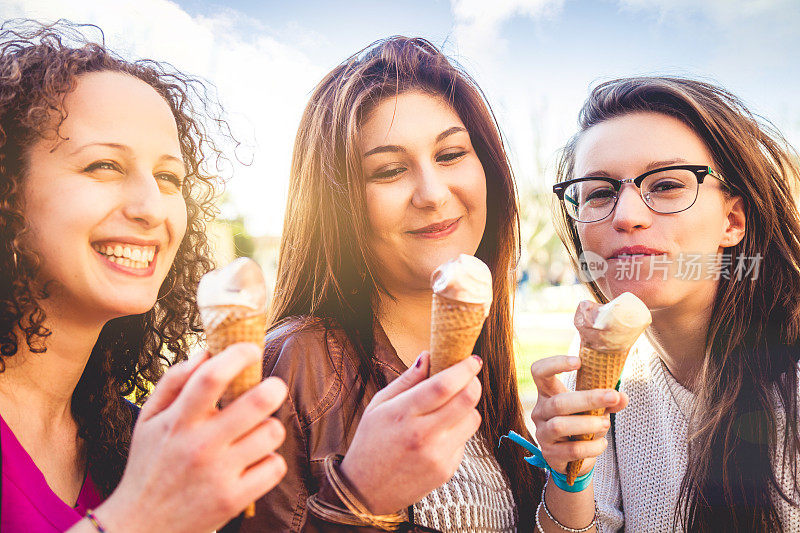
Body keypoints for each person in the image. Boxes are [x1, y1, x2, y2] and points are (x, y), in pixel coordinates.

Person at [238, 37, 545, 532]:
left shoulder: (485, 361)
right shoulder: (294, 367)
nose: (432, 193)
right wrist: (359, 502)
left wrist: (570, 477)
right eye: (390, 170)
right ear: (339, 205)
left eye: (450, 154)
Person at [0, 20, 288, 532]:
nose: (152, 208)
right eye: (104, 166)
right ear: (9, 186)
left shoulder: (134, 442)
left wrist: (361, 492)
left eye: (168, 177)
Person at [530, 76, 800, 532]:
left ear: (732, 221)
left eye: (668, 185)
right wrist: (569, 473)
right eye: (598, 192)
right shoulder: (609, 392)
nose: (627, 216)